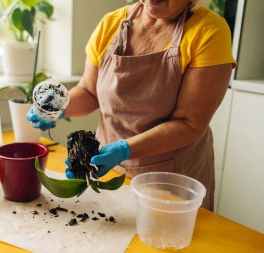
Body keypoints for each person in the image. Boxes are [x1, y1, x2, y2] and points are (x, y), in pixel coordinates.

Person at [27, 0, 236, 211]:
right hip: (107, 170)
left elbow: (190, 123)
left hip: (171, 184)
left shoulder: (209, 31)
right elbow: (90, 91)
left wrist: (124, 149)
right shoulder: (111, 23)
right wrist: (58, 106)